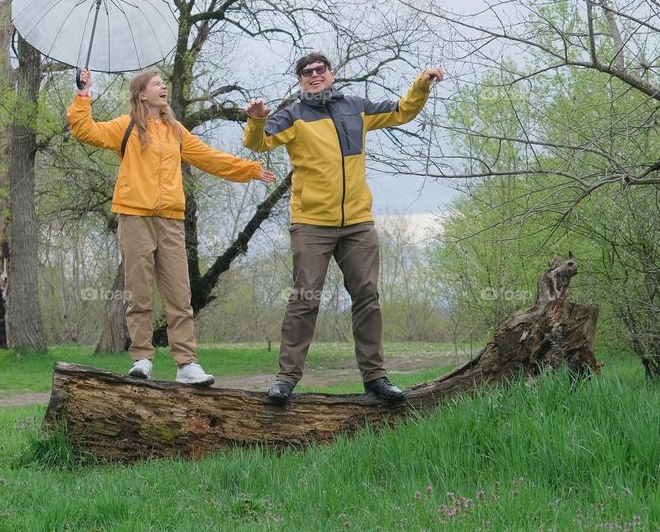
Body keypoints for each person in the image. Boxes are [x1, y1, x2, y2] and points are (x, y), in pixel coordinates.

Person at [243, 53, 444, 404]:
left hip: (357, 223)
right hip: (311, 223)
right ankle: (286, 379)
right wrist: (257, 119)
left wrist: (422, 84)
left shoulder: (357, 107)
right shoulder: (292, 115)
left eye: (320, 70)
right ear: (300, 81)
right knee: (305, 298)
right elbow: (257, 143)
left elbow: (402, 111)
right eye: (306, 73)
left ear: (331, 74)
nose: (314, 75)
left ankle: (375, 377)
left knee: (367, 296)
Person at [69, 67, 275, 386]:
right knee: (139, 293)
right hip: (135, 218)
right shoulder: (126, 126)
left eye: (164, 83)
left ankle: (186, 364)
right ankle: (141, 358)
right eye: (156, 84)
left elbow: (208, 157)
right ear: (141, 95)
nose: (163, 86)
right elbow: (85, 130)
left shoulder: (175, 131)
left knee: (180, 295)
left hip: (171, 221)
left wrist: (248, 169)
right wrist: (83, 94)